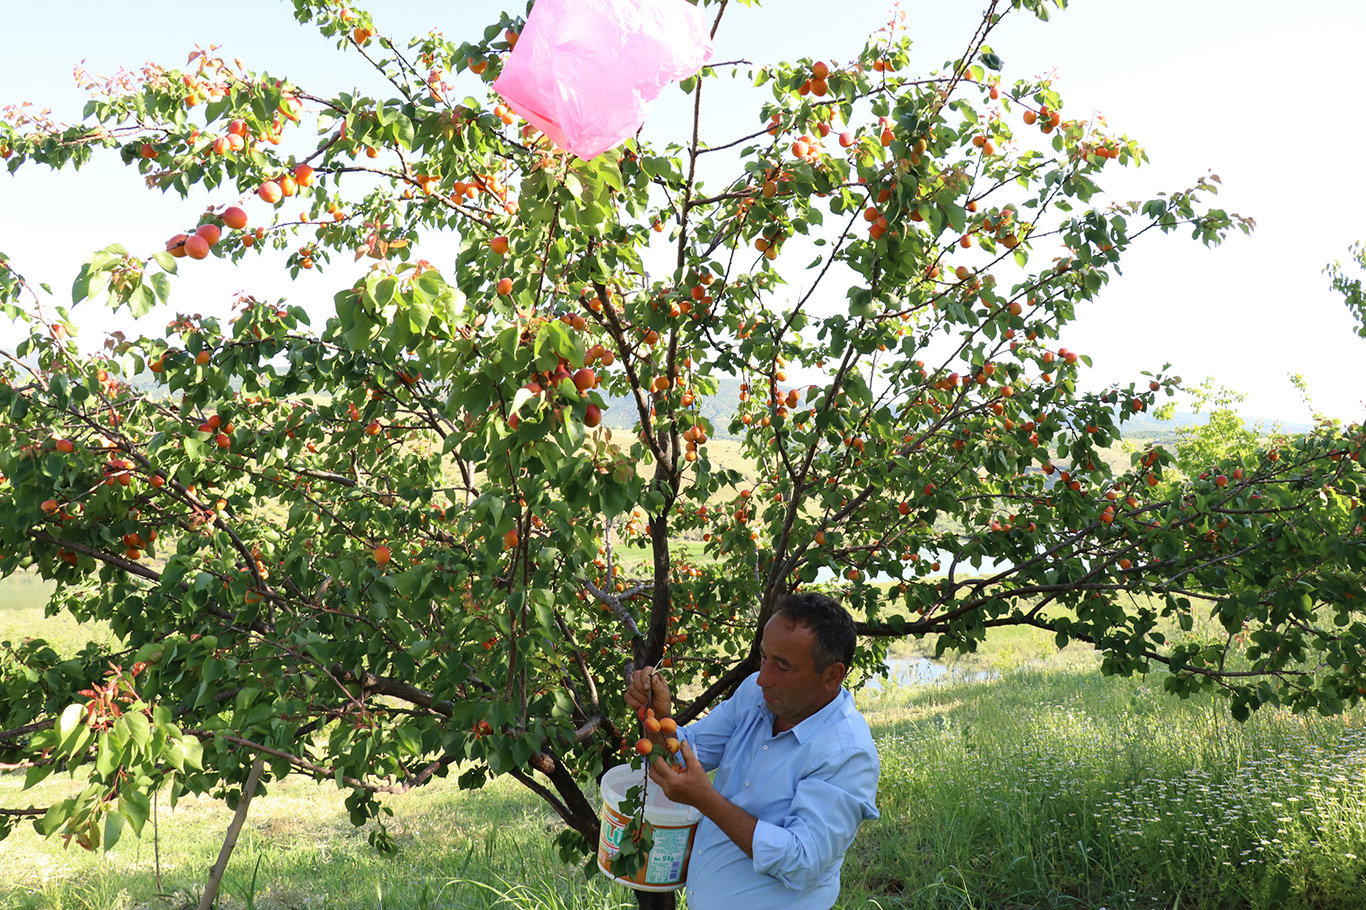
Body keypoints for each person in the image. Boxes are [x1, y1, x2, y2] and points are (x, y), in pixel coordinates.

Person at [624, 592, 880, 909]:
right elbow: (685, 754)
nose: (763, 678)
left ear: (832, 676)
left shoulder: (847, 753)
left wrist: (706, 799)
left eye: (783, 667)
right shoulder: (756, 697)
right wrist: (661, 716)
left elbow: (803, 863)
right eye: (764, 658)